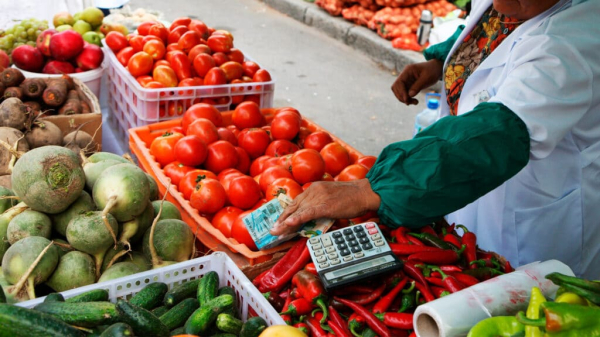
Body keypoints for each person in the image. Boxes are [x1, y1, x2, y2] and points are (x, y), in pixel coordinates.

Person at [271, 0, 600, 279]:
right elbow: (482, 25)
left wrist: (370, 189)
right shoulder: (514, 5)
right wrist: (441, 61)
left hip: (531, 218)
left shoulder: (574, 42)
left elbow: (498, 132)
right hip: (466, 188)